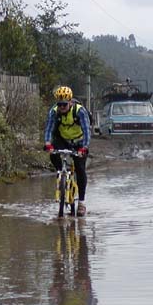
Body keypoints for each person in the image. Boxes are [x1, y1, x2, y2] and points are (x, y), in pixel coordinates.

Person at [43, 86, 90, 217]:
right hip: (62, 139)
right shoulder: (54, 111)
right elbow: (48, 128)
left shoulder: (79, 111)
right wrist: (47, 144)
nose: (62, 107)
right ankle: (61, 172)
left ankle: (81, 203)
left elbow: (87, 131)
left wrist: (84, 147)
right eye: (59, 104)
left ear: (70, 102)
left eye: (64, 104)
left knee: (80, 169)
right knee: (53, 154)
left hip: (79, 141)